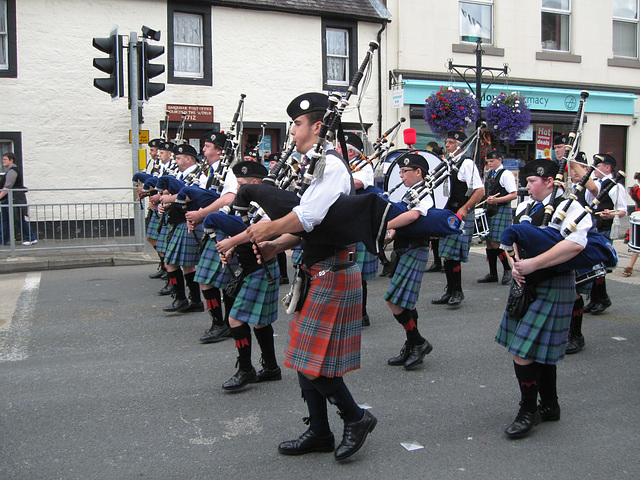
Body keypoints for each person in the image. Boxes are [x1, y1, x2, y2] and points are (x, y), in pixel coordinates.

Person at [246, 92, 376, 462]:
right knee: (304, 358)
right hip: (316, 269)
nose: (292, 130)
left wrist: (269, 230)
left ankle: (356, 417)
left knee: (312, 363)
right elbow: (312, 226)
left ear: (318, 127)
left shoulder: (331, 167)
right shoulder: (315, 166)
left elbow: (307, 218)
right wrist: (276, 245)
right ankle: (320, 430)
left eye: (298, 123)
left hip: (333, 272)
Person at [496, 159, 592, 439]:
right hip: (527, 283)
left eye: (531, 181)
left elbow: (574, 245)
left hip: (555, 282)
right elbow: (513, 241)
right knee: (541, 349)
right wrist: (514, 264)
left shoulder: (569, 206)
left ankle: (529, 410)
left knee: (523, 350)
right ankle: (550, 404)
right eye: (526, 182)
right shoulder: (526, 207)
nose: (526, 186)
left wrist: (534, 264)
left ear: (549, 181)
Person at [215, 161, 282, 390]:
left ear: (255, 183)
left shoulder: (268, 204)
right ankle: (271, 368)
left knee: (236, 319)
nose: (238, 188)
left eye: (242, 184)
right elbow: (241, 230)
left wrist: (231, 242)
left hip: (261, 268)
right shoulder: (246, 204)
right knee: (261, 323)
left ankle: (246, 369)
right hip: (251, 266)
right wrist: (232, 249)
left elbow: (256, 231)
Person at [383, 153, 434, 369]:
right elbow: (404, 218)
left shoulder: (425, 192)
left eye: (405, 171)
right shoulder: (411, 192)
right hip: (405, 248)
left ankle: (418, 342)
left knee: (393, 300)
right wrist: (391, 234)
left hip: (415, 248)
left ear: (418, 172)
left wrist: (384, 226)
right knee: (405, 302)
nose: (401, 176)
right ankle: (411, 344)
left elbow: (413, 216)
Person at [190, 131, 238, 343]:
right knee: (207, 280)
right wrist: (196, 215)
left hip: (226, 227)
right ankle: (220, 322)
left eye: (208, 146)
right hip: (212, 226)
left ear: (219, 150)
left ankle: (224, 323)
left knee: (221, 280)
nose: (203, 150)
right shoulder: (209, 171)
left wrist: (201, 214)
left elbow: (229, 197)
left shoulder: (230, 170)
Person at [431, 130, 484, 308]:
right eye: (446, 142)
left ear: (461, 145)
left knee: (453, 256)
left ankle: (458, 291)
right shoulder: (448, 163)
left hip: (460, 213)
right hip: (448, 213)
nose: (447, 145)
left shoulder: (467, 164)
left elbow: (480, 190)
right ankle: (449, 290)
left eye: (451, 142)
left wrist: (465, 208)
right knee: (446, 255)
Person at [157, 143, 208, 313]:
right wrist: (164, 204)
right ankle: (190, 300)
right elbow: (172, 195)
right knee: (181, 264)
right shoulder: (179, 174)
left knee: (175, 262)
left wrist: (169, 199)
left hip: (189, 221)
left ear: (188, 158)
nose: (176, 161)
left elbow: (189, 196)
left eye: (178, 158)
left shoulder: (199, 175)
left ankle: (185, 299)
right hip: (178, 220)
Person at [337, 131, 378, 327]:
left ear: (351, 152)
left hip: (359, 223)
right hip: (343, 223)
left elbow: (357, 183)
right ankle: (346, 311)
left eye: (339, 147)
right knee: (343, 270)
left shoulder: (364, 167)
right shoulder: (339, 167)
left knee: (358, 273)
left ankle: (361, 313)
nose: (336, 150)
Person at [477, 150, 517, 285]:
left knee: (496, 242)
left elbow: (513, 194)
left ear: (500, 160)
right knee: (489, 242)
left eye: (492, 161)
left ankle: (507, 269)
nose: (490, 164)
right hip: (490, 210)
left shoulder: (506, 174)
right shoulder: (489, 174)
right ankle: (492, 273)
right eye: (488, 162)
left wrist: (497, 200)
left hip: (501, 209)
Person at [143, 140, 176, 280]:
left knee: (164, 243)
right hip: (159, 205)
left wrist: (158, 197)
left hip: (168, 207)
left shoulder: (173, 168)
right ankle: (164, 265)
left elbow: (172, 187)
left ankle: (167, 270)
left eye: (160, 152)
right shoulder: (159, 167)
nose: (156, 154)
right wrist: (150, 196)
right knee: (152, 238)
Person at [0, 153, 37, 246]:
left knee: (17, 219)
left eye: (5, 159)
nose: (3, 161)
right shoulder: (11, 171)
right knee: (11, 219)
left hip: (13, 199)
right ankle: (4, 240)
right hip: (13, 199)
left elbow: (7, 187)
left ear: (11, 160)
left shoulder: (12, 171)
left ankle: (30, 238)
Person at [267, 152, 290, 285]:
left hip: (282, 212)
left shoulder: (286, 178)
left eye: (274, 162)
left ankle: (283, 274)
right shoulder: (269, 177)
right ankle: (281, 274)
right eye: (270, 162)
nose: (272, 165)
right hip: (271, 212)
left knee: (280, 244)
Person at [622, 172, 640, 277]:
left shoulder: (636, 190)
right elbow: (637, 205)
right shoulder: (637, 190)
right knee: (637, 242)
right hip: (638, 217)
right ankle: (630, 266)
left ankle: (630, 266)